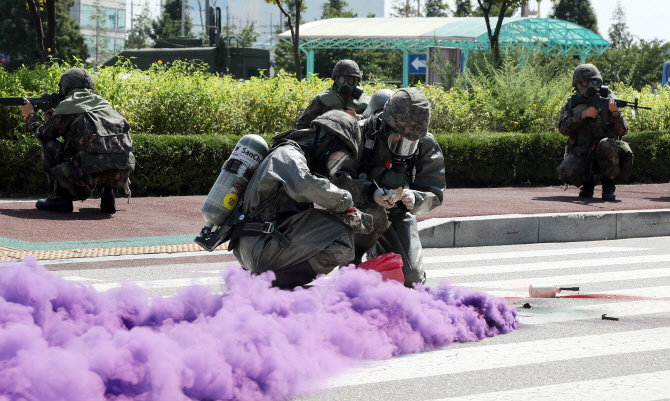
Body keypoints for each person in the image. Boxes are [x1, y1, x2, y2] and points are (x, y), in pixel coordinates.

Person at [229, 110, 373, 290]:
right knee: (341, 235)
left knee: (332, 228)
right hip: (259, 246)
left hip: (260, 242)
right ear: (325, 141)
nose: (334, 165)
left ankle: (274, 283)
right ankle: (269, 284)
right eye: (337, 157)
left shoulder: (297, 157)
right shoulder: (288, 155)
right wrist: (346, 203)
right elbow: (308, 185)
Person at [331, 88, 446, 287]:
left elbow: (434, 190)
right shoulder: (360, 132)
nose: (404, 143)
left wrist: (415, 198)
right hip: (357, 211)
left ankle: (380, 254)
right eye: (399, 137)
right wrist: (369, 192)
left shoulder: (425, 142)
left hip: (396, 213)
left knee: (411, 277)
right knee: (350, 276)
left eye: (411, 140)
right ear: (387, 123)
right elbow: (337, 179)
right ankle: (355, 260)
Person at [21, 67, 135, 214]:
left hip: (86, 177)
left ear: (66, 88)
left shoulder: (69, 106)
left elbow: (43, 135)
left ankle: (62, 198)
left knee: (48, 145)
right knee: (106, 152)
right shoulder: (106, 107)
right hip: (120, 175)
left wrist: (30, 115)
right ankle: (108, 191)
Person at [557, 64, 632, 201]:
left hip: (606, 152)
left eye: (595, 81)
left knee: (607, 144)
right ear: (577, 84)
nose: (591, 85)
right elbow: (563, 129)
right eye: (585, 82)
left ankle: (609, 185)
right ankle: (588, 182)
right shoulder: (572, 103)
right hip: (582, 151)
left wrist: (615, 113)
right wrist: (583, 115)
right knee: (566, 172)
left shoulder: (609, 98)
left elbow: (624, 130)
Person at [295, 59, 371, 129]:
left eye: (350, 79)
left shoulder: (366, 102)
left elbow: (376, 125)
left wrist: (358, 117)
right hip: (328, 141)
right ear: (335, 81)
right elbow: (302, 125)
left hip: (358, 141)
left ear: (356, 82)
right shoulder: (324, 99)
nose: (345, 84)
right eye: (341, 79)